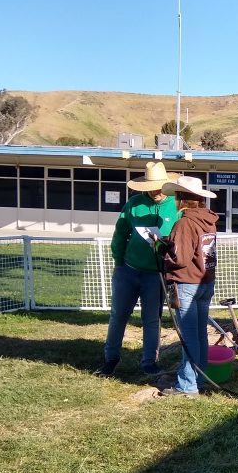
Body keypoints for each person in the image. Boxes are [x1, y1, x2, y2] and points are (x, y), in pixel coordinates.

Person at [95, 161, 181, 377]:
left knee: (152, 319)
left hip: (156, 276)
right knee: (118, 315)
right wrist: (119, 262)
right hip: (128, 271)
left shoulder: (176, 206)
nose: (155, 191)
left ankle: (149, 361)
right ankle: (110, 359)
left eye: (159, 186)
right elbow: (120, 233)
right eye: (151, 187)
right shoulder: (133, 204)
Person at [157, 175, 219, 397]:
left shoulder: (184, 222)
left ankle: (187, 386)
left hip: (188, 283)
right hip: (205, 282)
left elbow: (180, 259)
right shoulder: (208, 220)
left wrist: (163, 251)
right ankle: (198, 378)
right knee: (200, 333)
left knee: (189, 335)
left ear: (181, 199)